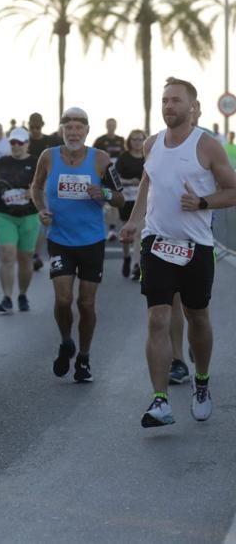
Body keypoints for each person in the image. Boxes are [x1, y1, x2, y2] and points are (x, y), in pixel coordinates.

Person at [121, 78, 236, 427]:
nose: (169, 106)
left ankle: (201, 381)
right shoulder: (152, 144)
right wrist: (133, 221)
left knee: (196, 316)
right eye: (165, 100)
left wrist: (202, 202)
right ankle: (160, 400)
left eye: (176, 101)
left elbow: (232, 191)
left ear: (192, 107)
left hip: (195, 246)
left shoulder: (208, 146)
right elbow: (147, 184)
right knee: (157, 317)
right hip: (156, 243)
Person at [30, 107, 123, 383]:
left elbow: (119, 198)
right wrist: (40, 210)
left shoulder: (102, 159)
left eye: (78, 128)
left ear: (86, 131)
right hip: (60, 238)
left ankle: (83, 357)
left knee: (86, 303)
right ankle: (65, 341)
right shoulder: (48, 157)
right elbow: (35, 187)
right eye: (68, 128)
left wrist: (104, 192)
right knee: (62, 299)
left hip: (92, 240)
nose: (73, 133)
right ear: (62, 130)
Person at [0, 127, 40, 313]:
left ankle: (22, 294)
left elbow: (44, 185)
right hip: (5, 215)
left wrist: (33, 192)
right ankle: (6, 297)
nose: (16, 146)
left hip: (28, 215)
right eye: (13, 142)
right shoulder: (2, 162)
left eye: (20, 142)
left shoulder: (35, 163)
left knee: (25, 258)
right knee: (7, 255)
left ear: (27, 144)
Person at [116, 130, 146, 280]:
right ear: (129, 141)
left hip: (142, 202)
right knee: (127, 234)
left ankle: (137, 265)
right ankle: (127, 257)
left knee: (139, 234)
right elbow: (116, 179)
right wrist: (130, 182)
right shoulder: (123, 158)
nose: (137, 142)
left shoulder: (148, 158)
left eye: (140, 139)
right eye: (134, 139)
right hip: (126, 200)